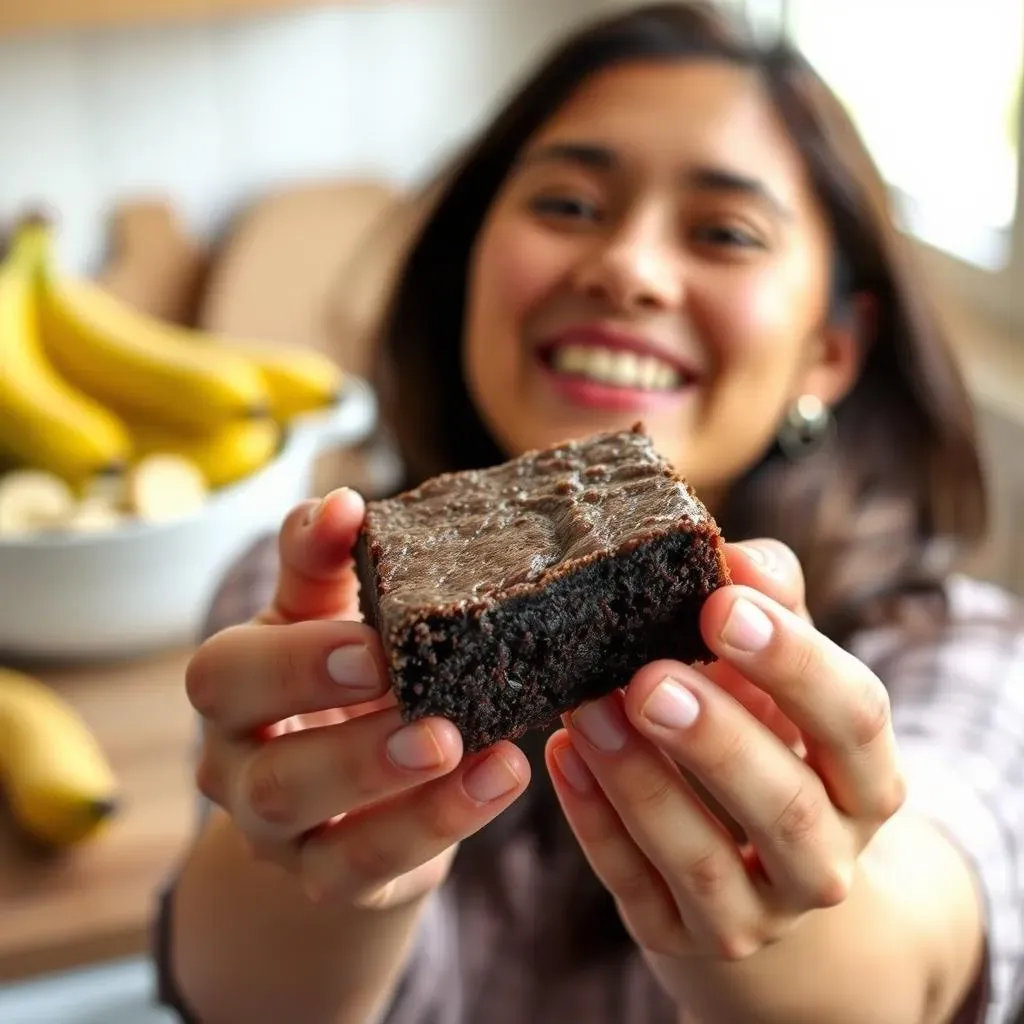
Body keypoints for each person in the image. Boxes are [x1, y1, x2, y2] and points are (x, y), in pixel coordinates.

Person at [153, 3, 1024, 1022]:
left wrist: (794, 915)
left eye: (723, 232)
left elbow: (912, 954)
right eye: (567, 204)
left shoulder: (957, 652)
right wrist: (307, 854)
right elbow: (243, 999)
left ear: (830, 350)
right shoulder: (310, 601)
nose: (627, 268)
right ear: (470, 265)